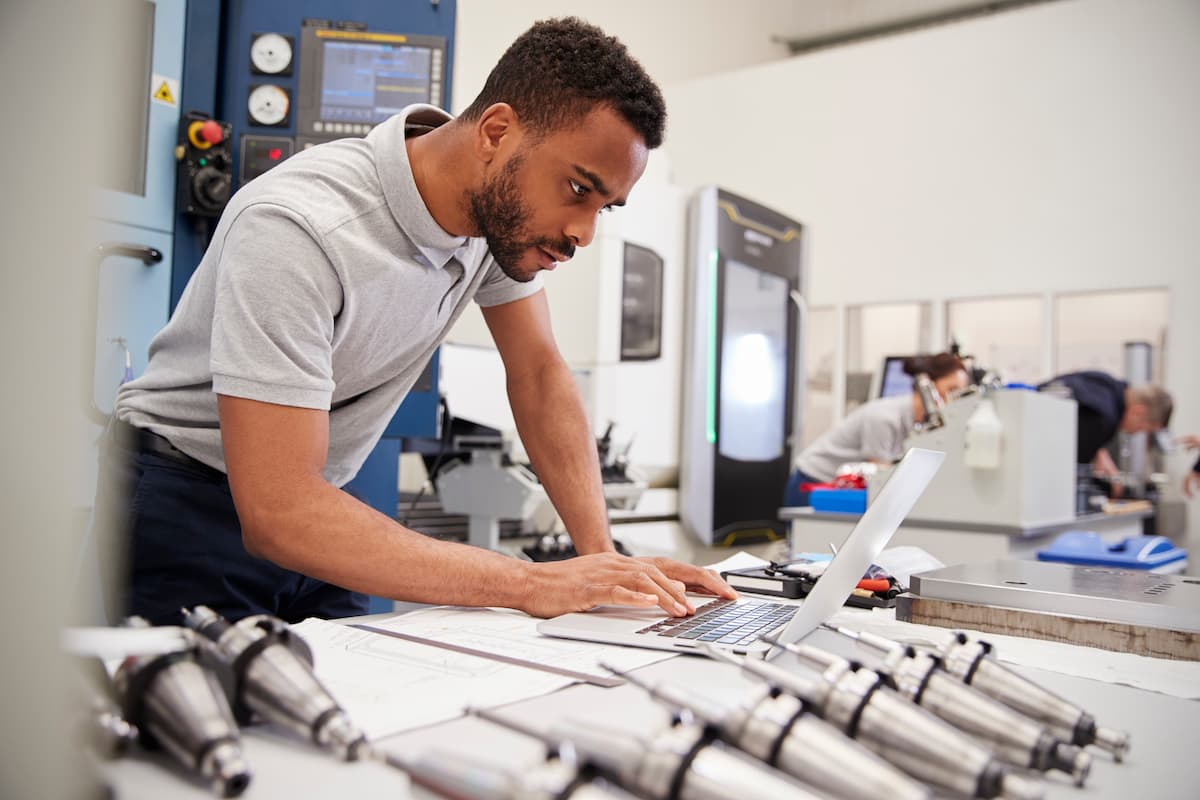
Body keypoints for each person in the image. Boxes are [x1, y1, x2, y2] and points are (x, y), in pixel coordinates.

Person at [96, 18, 735, 626]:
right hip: (187, 505)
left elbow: (539, 373)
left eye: (606, 207)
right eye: (576, 189)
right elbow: (278, 513)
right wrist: (534, 583)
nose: (582, 233)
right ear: (496, 132)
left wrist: (604, 561)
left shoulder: (494, 224)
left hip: (321, 508)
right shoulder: (299, 228)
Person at [785, 353, 970, 505]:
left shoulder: (921, 421)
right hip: (813, 481)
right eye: (951, 390)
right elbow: (881, 473)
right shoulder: (884, 418)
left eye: (960, 393)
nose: (954, 399)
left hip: (841, 488)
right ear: (928, 385)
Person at [1037, 371, 1173, 490]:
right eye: (1143, 429)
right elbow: (1075, 477)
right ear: (1138, 412)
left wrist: (1098, 451)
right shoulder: (1104, 419)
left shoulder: (1105, 382)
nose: (1137, 433)